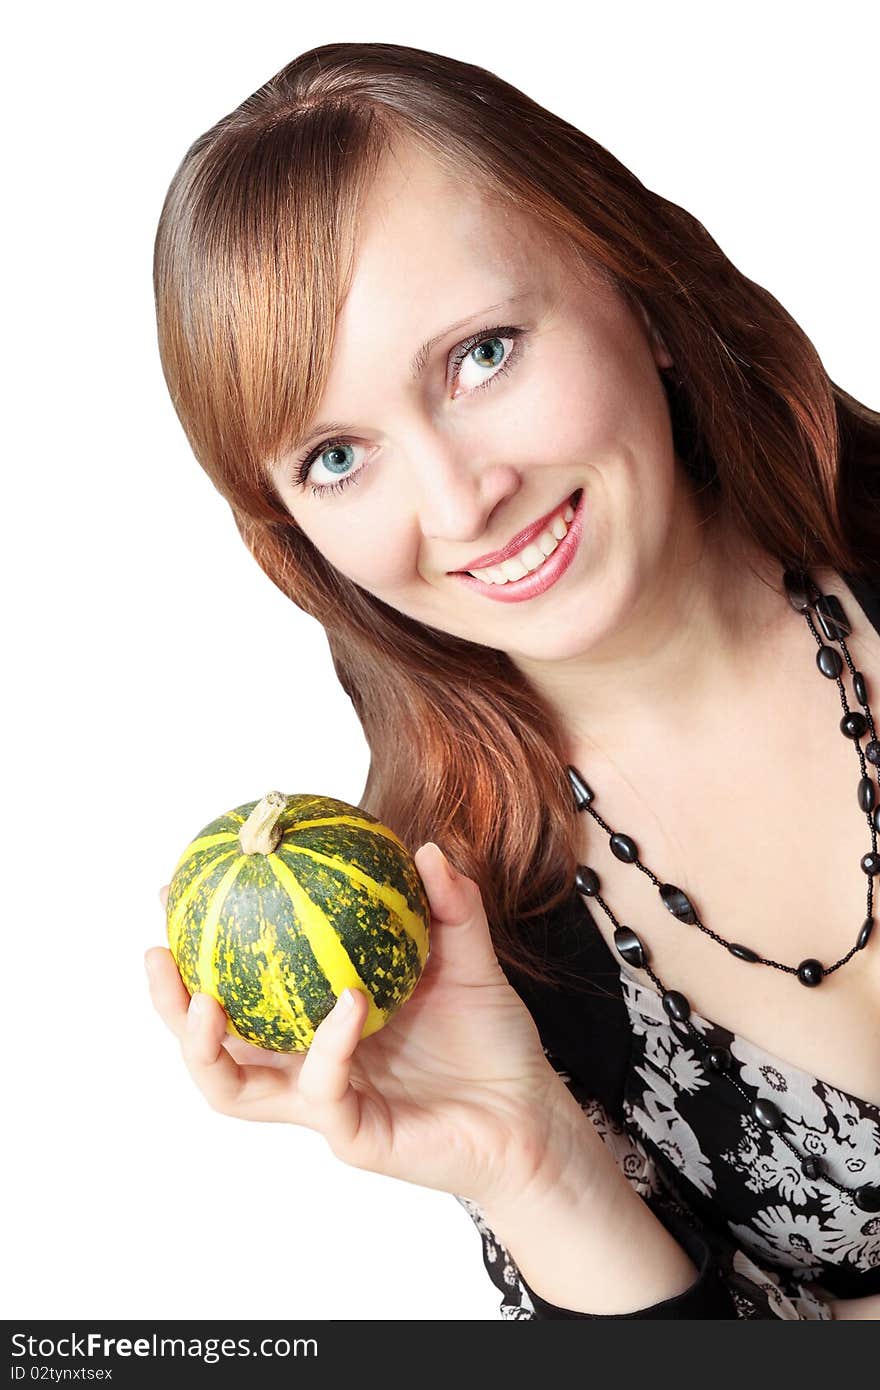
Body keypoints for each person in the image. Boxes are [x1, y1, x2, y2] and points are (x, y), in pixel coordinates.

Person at [145, 41, 880, 1319]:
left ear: (637, 296)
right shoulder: (471, 938)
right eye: (335, 456)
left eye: (481, 355)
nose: (458, 501)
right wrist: (531, 1163)